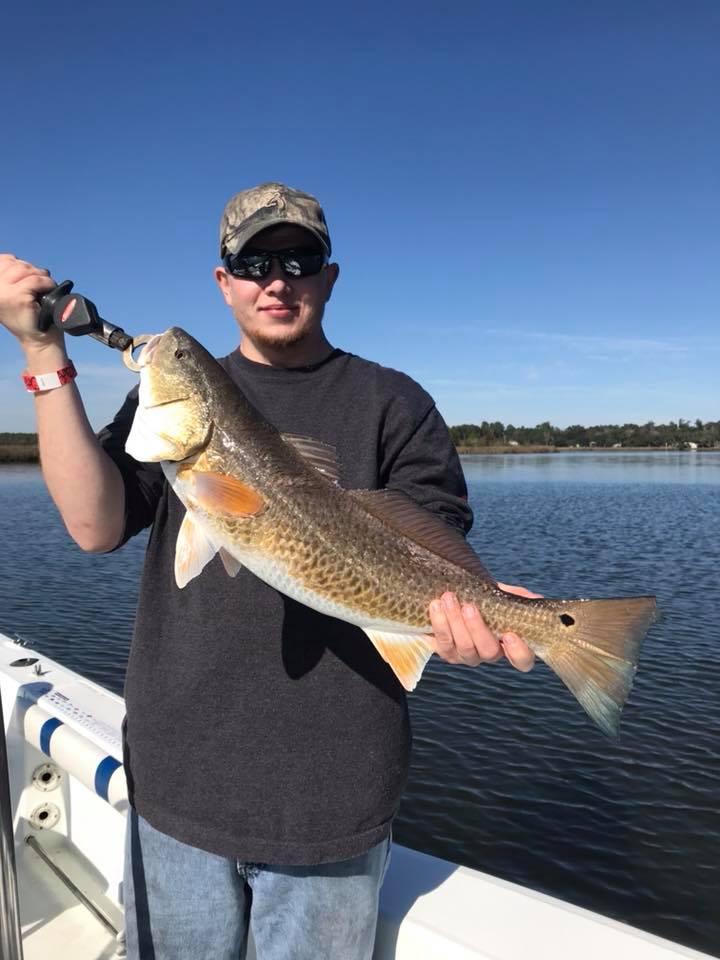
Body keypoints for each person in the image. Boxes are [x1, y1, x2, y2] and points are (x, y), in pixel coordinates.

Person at [0, 182, 536, 960]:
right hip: (177, 781)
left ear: (329, 275)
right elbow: (94, 526)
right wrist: (43, 353)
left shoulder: (395, 403)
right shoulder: (174, 409)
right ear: (224, 282)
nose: (276, 279)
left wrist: (472, 615)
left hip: (336, 795)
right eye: (253, 262)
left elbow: (435, 550)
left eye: (298, 258)